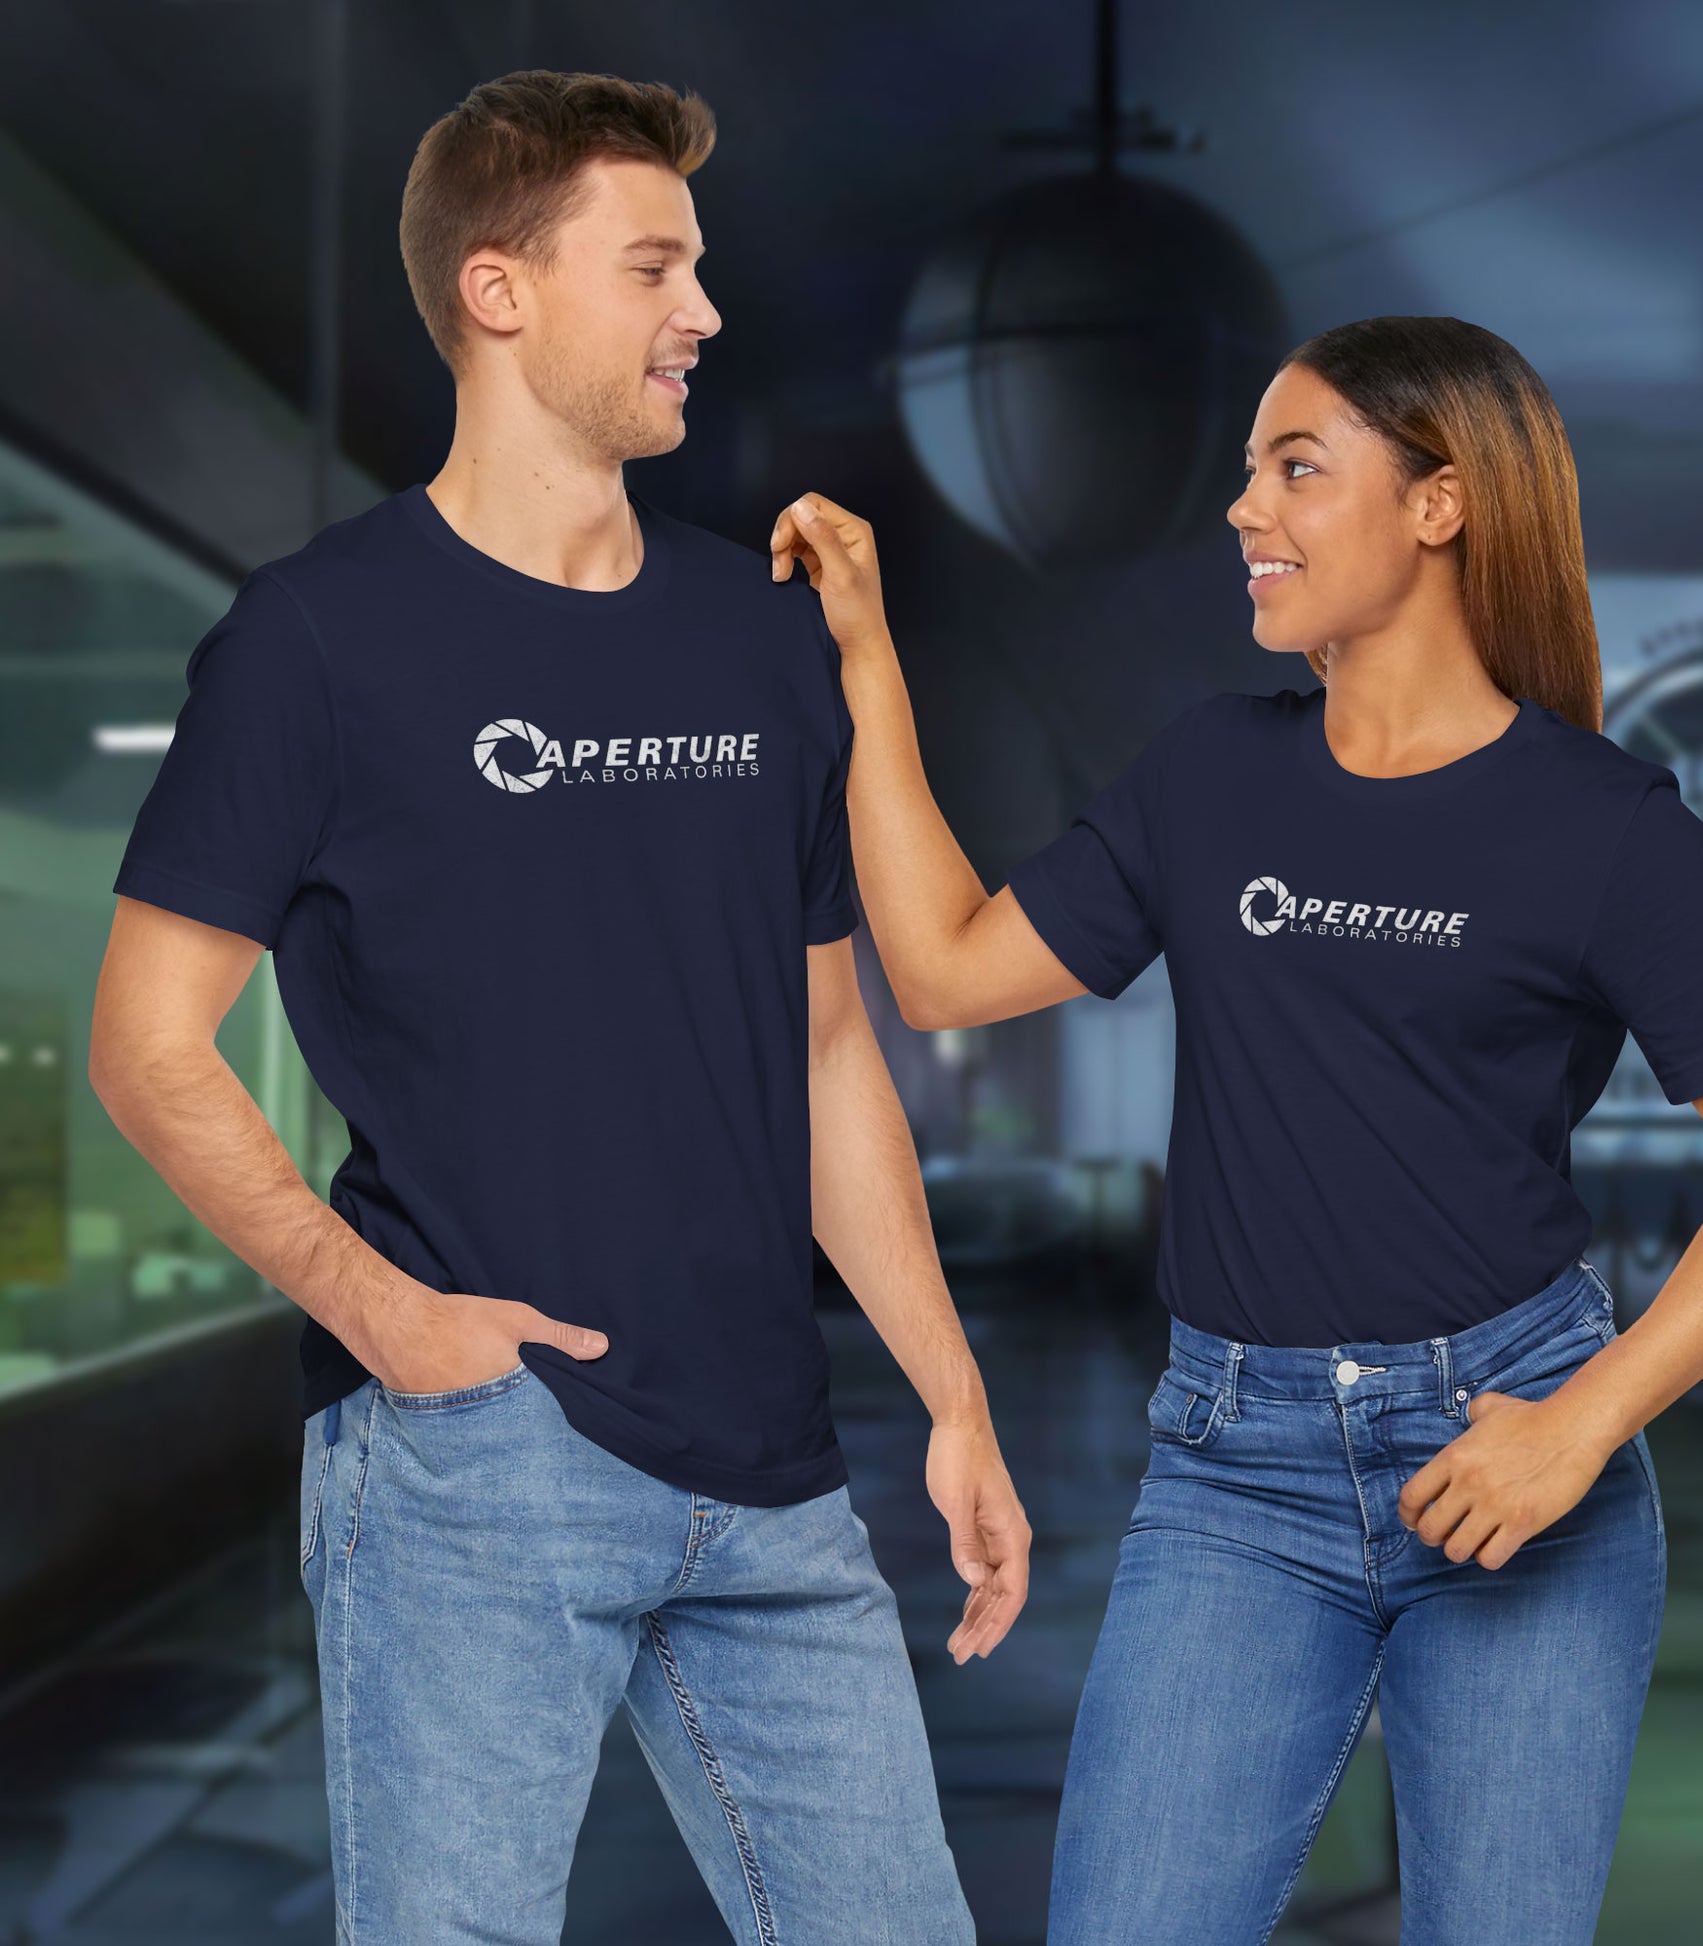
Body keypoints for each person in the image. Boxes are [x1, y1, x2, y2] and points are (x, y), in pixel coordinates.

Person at [769, 313, 1703, 1946]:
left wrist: (1574, 1426)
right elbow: (936, 971)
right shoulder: (1213, 773)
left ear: (1438, 505)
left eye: (1295, 466)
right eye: (1246, 470)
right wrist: (866, 660)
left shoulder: (1608, 832)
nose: (1241, 509)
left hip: (1515, 1462)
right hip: (1234, 1476)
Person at [87, 69, 1027, 1946]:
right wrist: (387, 1316)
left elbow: (832, 1051)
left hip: (773, 1464)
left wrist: (948, 1387)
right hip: (474, 1459)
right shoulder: (315, 643)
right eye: (657, 267)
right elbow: (145, 1039)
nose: (705, 313)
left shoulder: (758, 640)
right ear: (501, 293)